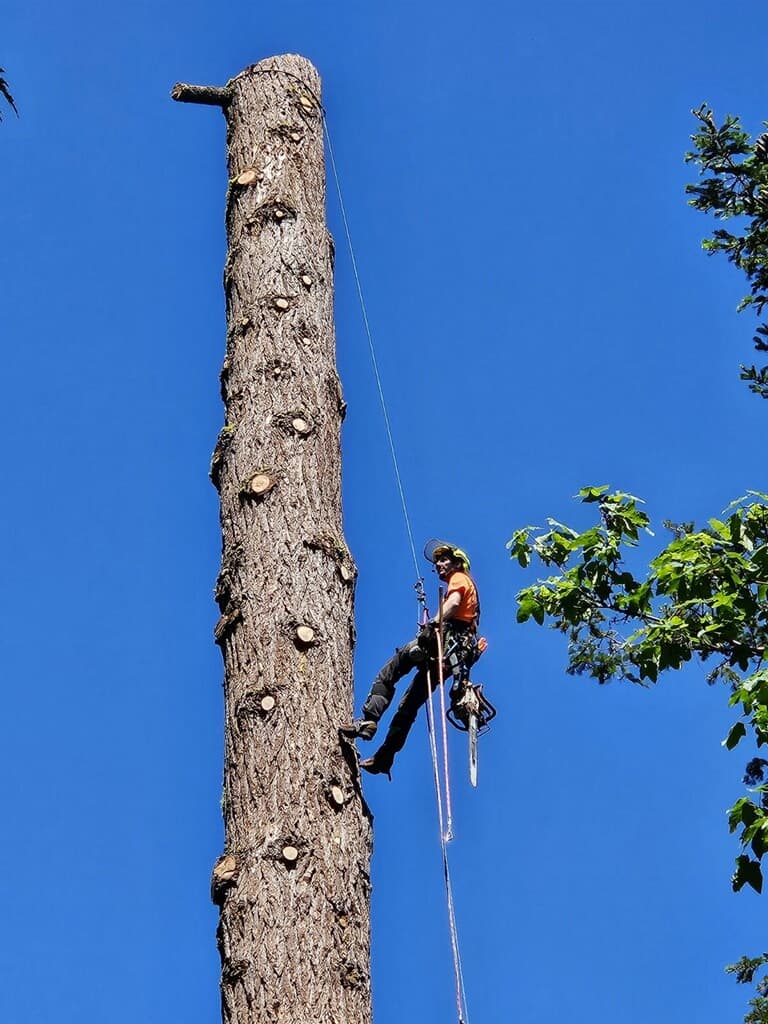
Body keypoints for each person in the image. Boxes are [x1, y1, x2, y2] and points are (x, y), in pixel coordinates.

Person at [340, 542, 480, 778]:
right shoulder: (473, 607)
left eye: (444, 559)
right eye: (438, 561)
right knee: (409, 706)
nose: (439, 564)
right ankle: (385, 757)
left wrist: (433, 624)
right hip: (447, 661)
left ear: (457, 563)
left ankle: (368, 721)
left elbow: (454, 603)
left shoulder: (460, 578)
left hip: (439, 646)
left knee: (391, 670)